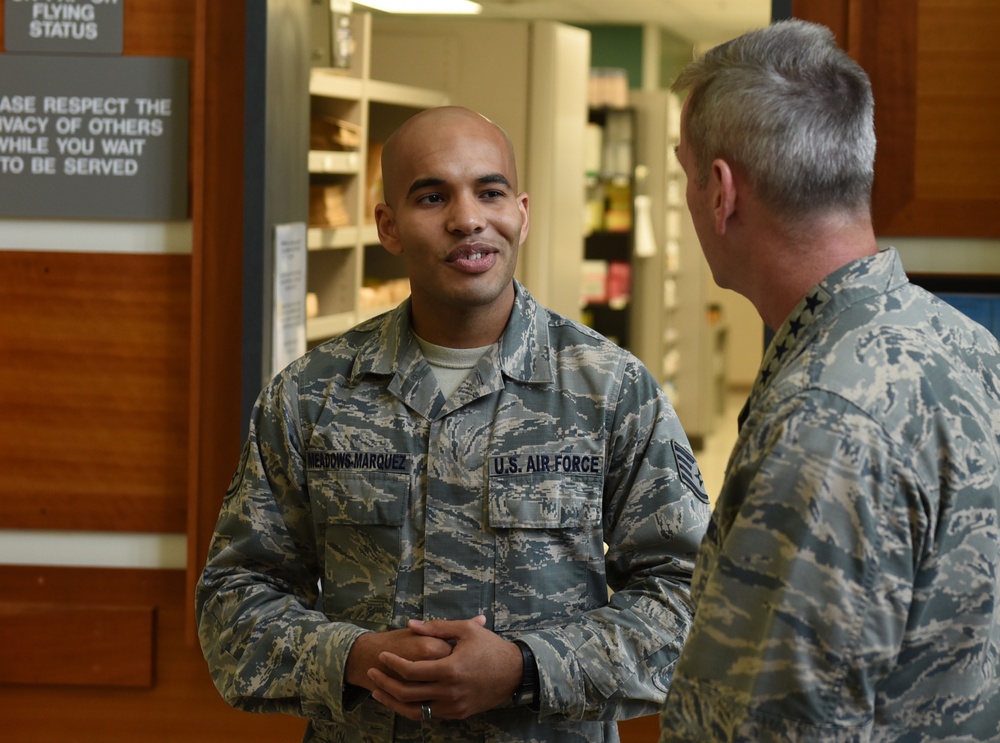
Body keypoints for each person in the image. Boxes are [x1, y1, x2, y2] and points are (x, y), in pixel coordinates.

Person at [196, 105, 710, 742]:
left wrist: (526, 667)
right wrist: (356, 659)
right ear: (388, 226)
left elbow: (690, 601)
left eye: (489, 192)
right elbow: (234, 600)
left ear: (521, 213)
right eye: (432, 196)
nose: (467, 219)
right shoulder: (312, 395)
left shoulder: (612, 391)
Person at [659, 19, 1000, 742]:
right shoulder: (967, 346)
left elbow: (777, 724)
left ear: (720, 192)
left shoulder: (823, 418)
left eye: (685, 174)